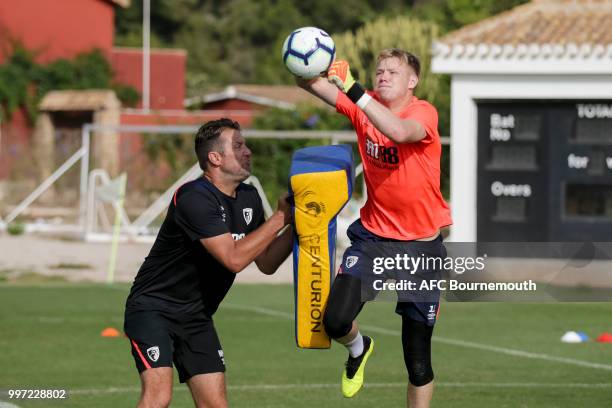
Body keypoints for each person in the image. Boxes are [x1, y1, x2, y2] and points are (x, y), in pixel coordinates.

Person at [296, 49, 452, 407]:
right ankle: (358, 347)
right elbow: (307, 82)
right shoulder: (361, 107)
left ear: (412, 82)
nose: (382, 75)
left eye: (392, 72)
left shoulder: (422, 112)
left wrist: (353, 87)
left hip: (421, 249)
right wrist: (310, 56)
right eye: (379, 70)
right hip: (374, 240)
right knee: (334, 322)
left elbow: (397, 131)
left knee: (417, 360)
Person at [124, 118, 293, 408]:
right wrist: (281, 217)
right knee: (158, 398)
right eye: (238, 146)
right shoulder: (193, 198)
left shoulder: (249, 197)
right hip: (154, 309)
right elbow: (234, 259)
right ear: (215, 158)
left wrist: (302, 224)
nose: (248, 151)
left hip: (197, 317)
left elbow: (266, 262)